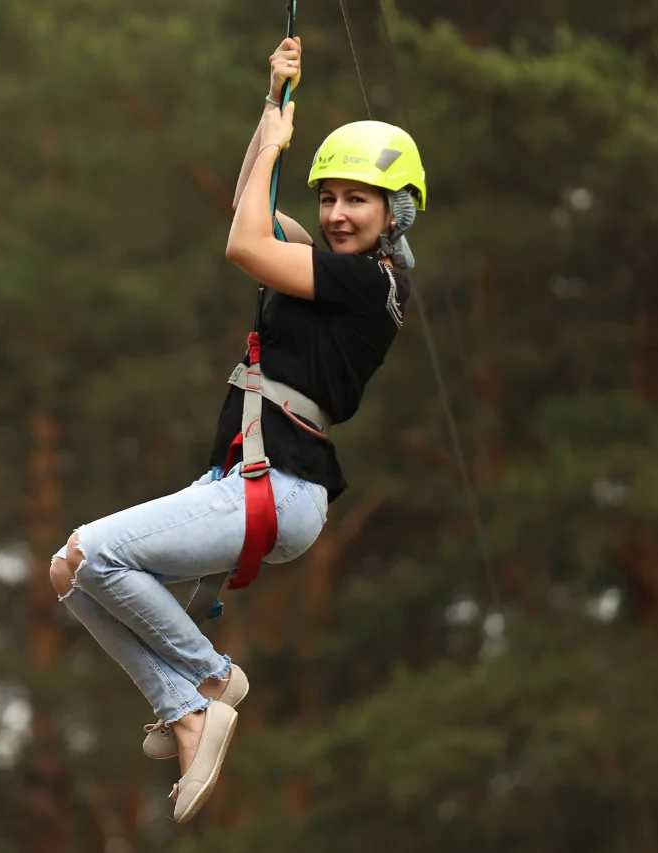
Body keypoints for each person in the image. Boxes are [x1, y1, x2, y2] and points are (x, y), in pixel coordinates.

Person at [48, 35, 426, 824]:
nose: (336, 213)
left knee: (95, 550)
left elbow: (242, 244)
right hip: (246, 481)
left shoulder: (369, 283)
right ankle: (186, 708)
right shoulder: (323, 270)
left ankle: (211, 682)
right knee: (69, 569)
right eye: (329, 197)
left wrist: (277, 139)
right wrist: (273, 104)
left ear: (395, 213)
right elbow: (244, 207)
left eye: (357, 200)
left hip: (280, 487)